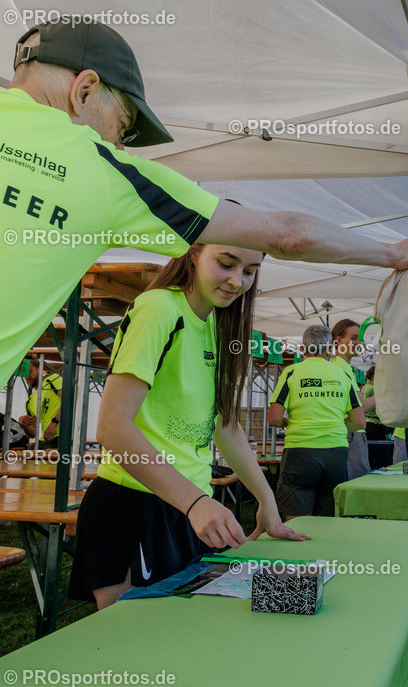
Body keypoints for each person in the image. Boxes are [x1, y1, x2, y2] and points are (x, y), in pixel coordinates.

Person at [0, 18, 408, 433]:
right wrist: (393, 253)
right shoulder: (107, 173)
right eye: (124, 123)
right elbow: (288, 234)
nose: (121, 142)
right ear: (84, 90)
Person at [68, 242, 309, 609]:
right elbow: (112, 427)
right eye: (226, 263)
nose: (237, 281)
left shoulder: (217, 324)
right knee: (137, 637)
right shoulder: (159, 308)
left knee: (186, 633)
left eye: (249, 271)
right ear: (193, 253)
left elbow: (225, 425)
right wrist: (195, 502)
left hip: (189, 506)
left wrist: (266, 500)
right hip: (136, 504)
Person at [267, 326, 364, 518]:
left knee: (296, 519)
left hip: (300, 451)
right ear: (330, 349)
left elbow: (273, 418)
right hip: (336, 452)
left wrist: (287, 423)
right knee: (329, 518)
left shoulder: (291, 372)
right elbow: (359, 422)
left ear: (303, 350)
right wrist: (333, 426)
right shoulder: (343, 374)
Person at [331, 319, 373, 479]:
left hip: (349, 432)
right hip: (351, 433)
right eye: (353, 338)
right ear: (339, 340)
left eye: (359, 339)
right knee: (356, 482)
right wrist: (386, 394)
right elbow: (361, 407)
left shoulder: (342, 366)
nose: (358, 343)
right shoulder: (341, 367)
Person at [18, 360, 62, 445]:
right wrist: (23, 424)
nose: (27, 376)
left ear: (39, 369)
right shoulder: (29, 401)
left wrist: (54, 422)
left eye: (30, 371)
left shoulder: (52, 379)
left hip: (63, 437)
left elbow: (69, 400)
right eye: (25, 374)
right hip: (47, 440)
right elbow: (33, 433)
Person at [361, 365, 392, 441]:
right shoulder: (373, 388)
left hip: (370, 422)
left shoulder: (366, 387)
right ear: (374, 375)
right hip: (374, 424)